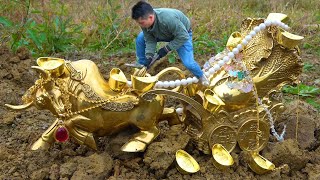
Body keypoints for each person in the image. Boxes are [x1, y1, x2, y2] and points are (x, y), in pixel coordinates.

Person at [131, 1, 209, 86]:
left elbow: (183, 36)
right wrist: (149, 56)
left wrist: (166, 48)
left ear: (150, 17)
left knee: (189, 63)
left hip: (181, 35)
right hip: (162, 33)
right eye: (139, 23)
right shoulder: (145, 24)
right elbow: (150, 39)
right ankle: (142, 65)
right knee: (140, 38)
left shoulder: (168, 19)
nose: (140, 25)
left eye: (141, 23)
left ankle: (201, 76)